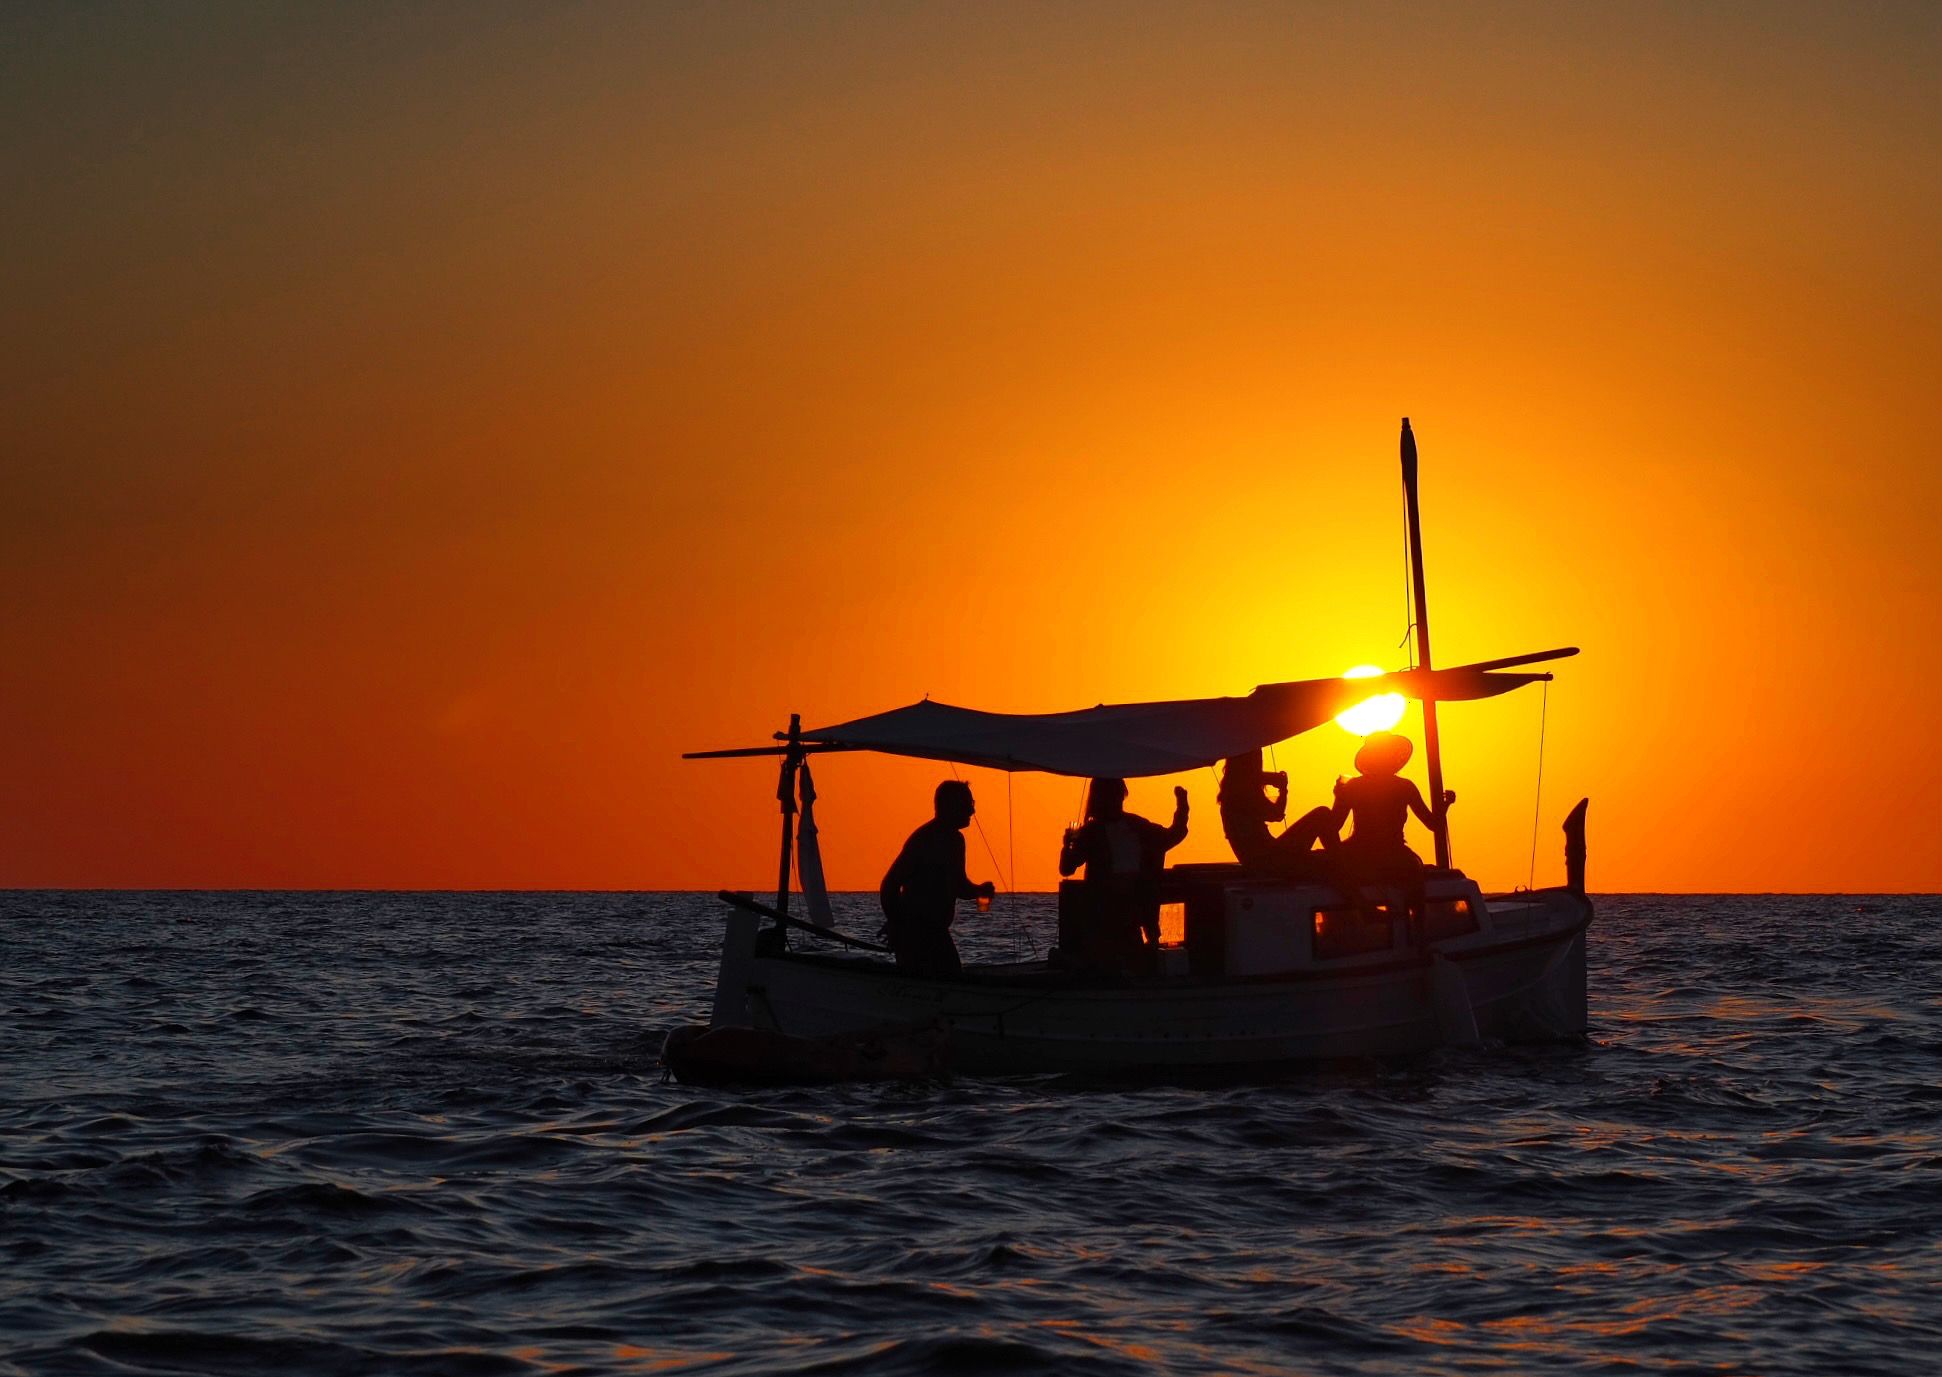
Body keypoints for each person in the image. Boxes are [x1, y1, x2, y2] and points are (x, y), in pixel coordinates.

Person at [1058, 778, 1188, 973]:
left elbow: (1173, 835)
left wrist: (1182, 805)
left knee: (1133, 963)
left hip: (1134, 908)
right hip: (1104, 911)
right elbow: (1067, 869)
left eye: (1118, 794)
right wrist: (1067, 845)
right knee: (1109, 965)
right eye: (1111, 795)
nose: (1116, 800)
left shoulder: (1137, 826)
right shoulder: (1091, 832)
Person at [1327, 732, 1452, 933]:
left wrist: (1338, 796)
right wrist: (1445, 806)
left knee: (1327, 866)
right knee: (1416, 877)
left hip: (1359, 853)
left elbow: (1333, 826)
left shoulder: (1354, 786)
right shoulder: (1405, 786)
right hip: (1394, 854)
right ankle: (1419, 937)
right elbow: (1433, 824)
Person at [879, 780, 996, 978]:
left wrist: (978, 890)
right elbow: (889, 885)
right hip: (915, 934)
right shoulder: (924, 840)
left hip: (937, 932)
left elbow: (959, 885)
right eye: (968, 804)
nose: (972, 811)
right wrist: (897, 924)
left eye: (972, 804)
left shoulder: (956, 841)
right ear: (951, 805)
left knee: (952, 978)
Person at [1217, 749, 1338, 876]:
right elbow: (1276, 814)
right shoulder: (1241, 793)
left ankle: (1338, 862)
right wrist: (1283, 789)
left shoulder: (1233, 790)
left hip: (1263, 859)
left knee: (1321, 853)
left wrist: (1269, 780)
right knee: (1321, 815)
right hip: (1268, 860)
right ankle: (1342, 866)